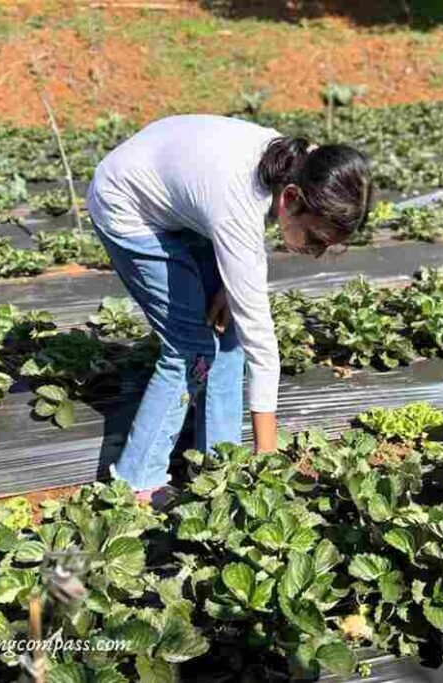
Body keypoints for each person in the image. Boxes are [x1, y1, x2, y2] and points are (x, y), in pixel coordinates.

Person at [87, 114, 373, 504]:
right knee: (189, 348)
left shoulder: (302, 163)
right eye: (315, 238)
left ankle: (219, 464)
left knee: (226, 329)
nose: (316, 252)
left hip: (184, 190)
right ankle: (137, 482)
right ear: (290, 198)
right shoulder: (238, 203)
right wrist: (267, 455)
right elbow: (264, 348)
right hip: (126, 202)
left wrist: (227, 282)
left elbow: (227, 221)